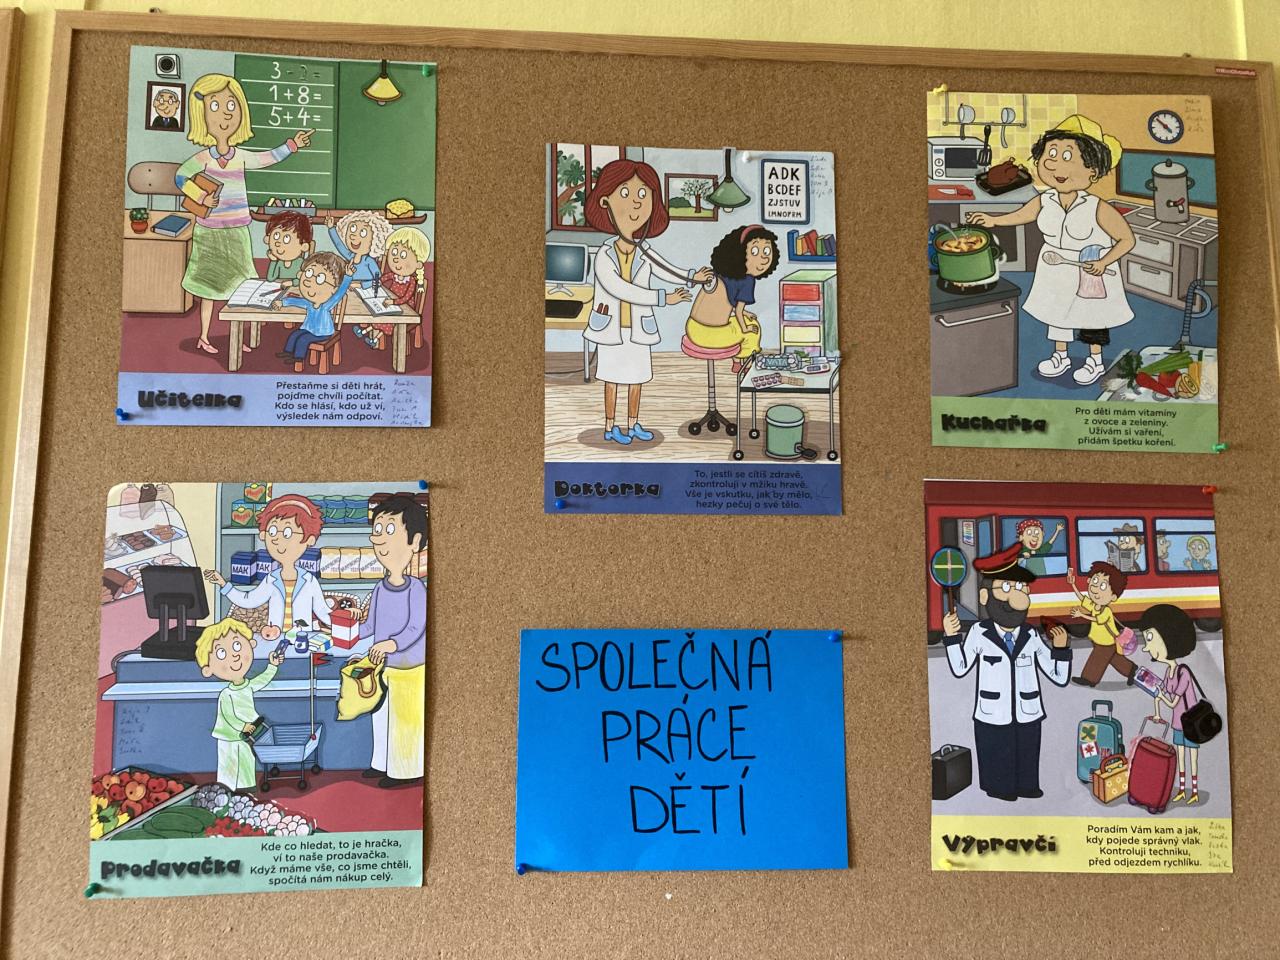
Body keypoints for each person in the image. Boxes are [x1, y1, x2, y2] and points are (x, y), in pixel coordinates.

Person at [967, 115, 1135, 386]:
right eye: (1051, 154)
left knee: (1092, 317)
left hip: (1090, 268)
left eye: (1068, 156)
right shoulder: (1045, 199)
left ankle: (1095, 360)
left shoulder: (1098, 207)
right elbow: (1022, 215)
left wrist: (1104, 262)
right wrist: (994, 220)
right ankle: (1061, 356)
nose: (1054, 163)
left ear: (1092, 171)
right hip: (1054, 267)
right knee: (1056, 312)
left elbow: (1127, 240)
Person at [175, 73, 314, 355]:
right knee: (209, 288)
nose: (225, 114)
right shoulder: (203, 157)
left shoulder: (239, 155)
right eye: (215, 106)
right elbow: (180, 177)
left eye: (231, 106)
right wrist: (201, 196)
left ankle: (239, 337)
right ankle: (204, 336)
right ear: (201, 114)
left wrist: (292, 145)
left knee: (242, 286)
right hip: (209, 231)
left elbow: (265, 158)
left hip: (237, 230)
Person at [582, 159, 714, 446]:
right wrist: (663, 298)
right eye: (625, 193)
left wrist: (692, 277)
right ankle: (610, 426)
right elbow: (620, 289)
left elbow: (666, 269)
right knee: (612, 379)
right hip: (611, 329)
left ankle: (633, 424)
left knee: (637, 379)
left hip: (639, 329)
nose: (636, 203)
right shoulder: (603, 255)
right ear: (605, 201)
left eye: (643, 194)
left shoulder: (644, 250)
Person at [941, 543, 1072, 801]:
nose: (1018, 597)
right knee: (996, 754)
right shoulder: (979, 633)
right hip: (992, 714)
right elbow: (960, 667)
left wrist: (1061, 650)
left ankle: (1027, 786)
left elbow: (1057, 676)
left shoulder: (1031, 635)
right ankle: (999, 789)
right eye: (1008, 587)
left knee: (1027, 753)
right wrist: (952, 638)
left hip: (1027, 712)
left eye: (1022, 588)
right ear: (984, 597)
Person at [349, 494, 428, 788]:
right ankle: (380, 762)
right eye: (378, 530)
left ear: (415, 542)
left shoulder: (416, 589)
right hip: (383, 667)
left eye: (390, 529)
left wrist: (390, 644)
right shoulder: (380, 588)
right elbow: (370, 625)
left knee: (404, 723)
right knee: (381, 716)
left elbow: (416, 627)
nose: (380, 538)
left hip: (409, 669)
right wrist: (348, 631)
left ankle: (404, 771)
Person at [205, 494, 332, 634]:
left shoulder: (309, 581)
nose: (276, 539)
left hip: (302, 638)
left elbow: (322, 611)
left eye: (287, 533)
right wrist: (223, 584)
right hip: (274, 638)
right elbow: (249, 600)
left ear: (309, 540)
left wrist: (346, 623)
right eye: (272, 531)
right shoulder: (271, 579)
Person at [195, 617, 284, 790]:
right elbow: (229, 716)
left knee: (246, 761)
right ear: (208, 669)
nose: (234, 656)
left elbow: (261, 681)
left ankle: (247, 788)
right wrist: (243, 726)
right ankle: (225, 790)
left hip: (247, 734)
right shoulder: (226, 694)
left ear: (251, 644)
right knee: (228, 765)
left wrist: (272, 666)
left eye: (237, 646)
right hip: (228, 736)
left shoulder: (247, 686)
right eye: (222, 653)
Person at [684, 225, 778, 373]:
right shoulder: (747, 280)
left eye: (766, 251)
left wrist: (745, 313)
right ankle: (743, 364)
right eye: (754, 251)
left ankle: (738, 362)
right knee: (753, 329)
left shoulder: (720, 274)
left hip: (692, 328)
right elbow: (738, 311)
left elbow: (724, 303)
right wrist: (746, 328)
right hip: (712, 334)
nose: (763, 258)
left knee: (744, 321)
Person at [1140, 604, 1205, 804]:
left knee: (1193, 759)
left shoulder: (1183, 672)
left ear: (1169, 637)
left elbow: (1173, 701)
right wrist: (1157, 710)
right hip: (1178, 724)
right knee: (1181, 757)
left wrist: (1162, 696)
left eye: (1150, 638)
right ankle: (1182, 790)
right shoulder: (1168, 672)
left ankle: (1194, 791)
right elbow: (1162, 697)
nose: (1146, 647)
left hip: (1191, 724)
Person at [270, 252, 355, 363]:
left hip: (323, 332)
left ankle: (299, 358)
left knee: (303, 339)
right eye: (309, 273)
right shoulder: (309, 302)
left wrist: (348, 277)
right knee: (294, 335)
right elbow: (296, 301)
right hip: (308, 329)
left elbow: (340, 294)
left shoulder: (326, 305)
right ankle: (288, 352)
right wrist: (283, 302)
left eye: (319, 279)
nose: (309, 281)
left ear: (333, 289)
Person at [355, 225, 430, 349]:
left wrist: (393, 302)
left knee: (387, 322)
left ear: (418, 264)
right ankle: (364, 332)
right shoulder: (394, 275)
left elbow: (406, 298)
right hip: (390, 302)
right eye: (394, 253)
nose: (396, 259)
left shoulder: (411, 281)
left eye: (403, 255)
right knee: (376, 311)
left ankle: (374, 339)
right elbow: (383, 278)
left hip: (404, 308)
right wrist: (377, 283)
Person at [1068, 561, 1136, 687]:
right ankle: (1131, 670)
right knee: (1114, 659)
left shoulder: (1106, 611)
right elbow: (1082, 599)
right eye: (1094, 581)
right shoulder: (1095, 605)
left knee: (1097, 660)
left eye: (1103, 586)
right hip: (1098, 639)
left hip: (1106, 642)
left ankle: (1089, 679)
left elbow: (1096, 619)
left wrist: (1081, 615)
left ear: (1113, 597)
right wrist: (1073, 584)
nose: (1094, 587)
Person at [326, 210, 393, 291]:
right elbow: (339, 244)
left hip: (367, 291)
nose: (353, 236)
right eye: (353, 229)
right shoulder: (350, 256)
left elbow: (378, 281)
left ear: (375, 240)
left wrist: (360, 285)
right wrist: (331, 228)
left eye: (362, 233)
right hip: (351, 290)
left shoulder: (369, 261)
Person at [263, 210, 313, 291]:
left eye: (286, 238)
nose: (278, 243)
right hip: (281, 291)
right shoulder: (280, 263)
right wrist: (273, 261)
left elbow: (304, 279)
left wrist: (291, 283)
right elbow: (270, 278)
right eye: (276, 235)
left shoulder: (300, 263)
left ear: (303, 246)